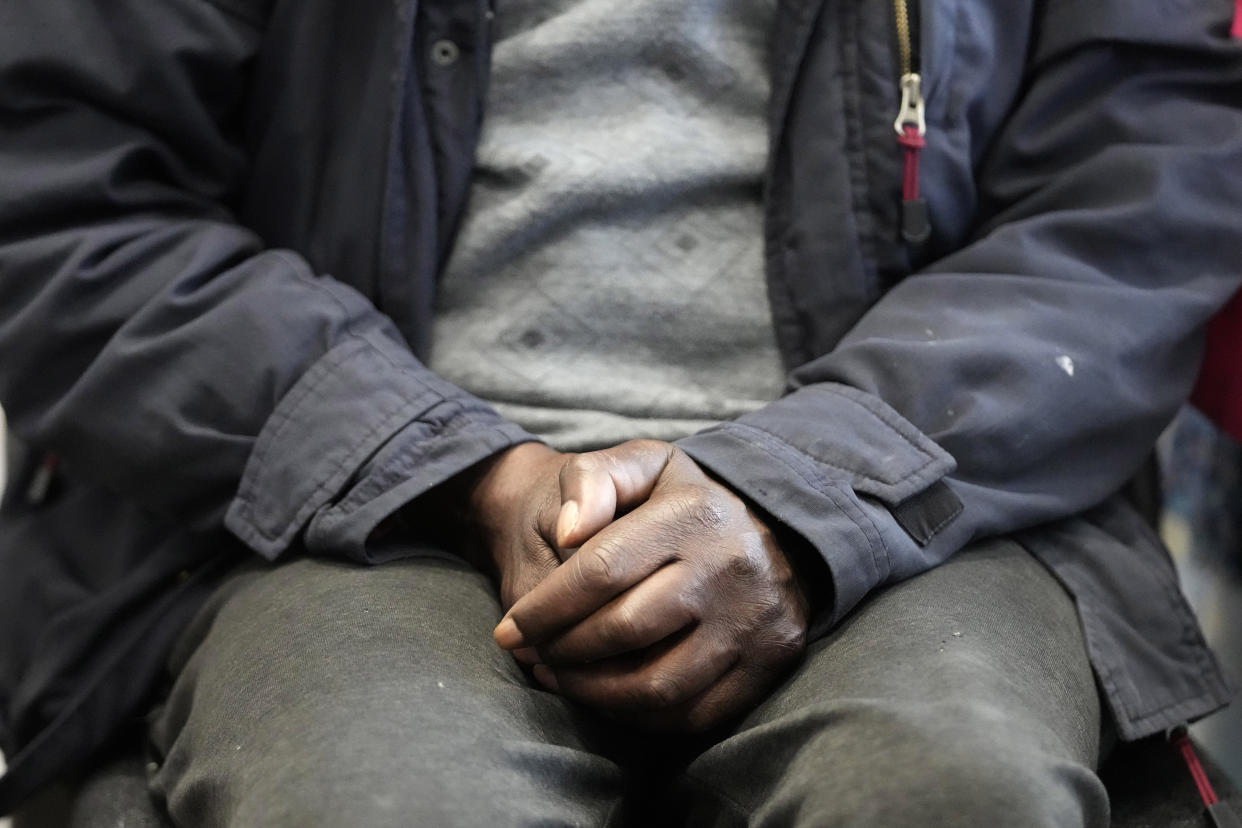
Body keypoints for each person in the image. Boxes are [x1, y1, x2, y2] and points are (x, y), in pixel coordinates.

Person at [0, 0, 1240, 825]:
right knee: (380, 804)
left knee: (954, 796)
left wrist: (804, 494)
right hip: (346, 506)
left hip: (932, 491)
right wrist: (456, 471)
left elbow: (1137, 196)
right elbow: (64, 187)